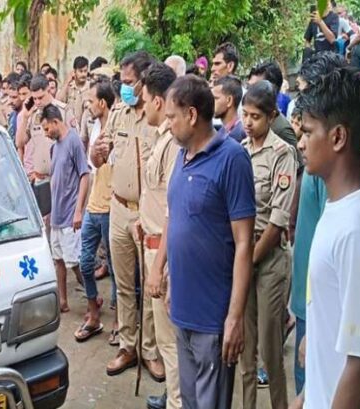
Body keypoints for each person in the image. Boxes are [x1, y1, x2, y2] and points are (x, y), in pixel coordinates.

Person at [292, 65, 360, 409]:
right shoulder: (337, 207)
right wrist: (305, 397)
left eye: (308, 132)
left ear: (338, 137)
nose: (301, 142)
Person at [163, 75, 255, 407]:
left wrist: (235, 317)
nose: (167, 124)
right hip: (183, 310)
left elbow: (244, 243)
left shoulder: (232, 159)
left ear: (191, 115)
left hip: (213, 318)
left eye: (172, 116)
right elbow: (178, 222)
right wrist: (171, 281)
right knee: (189, 401)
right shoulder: (182, 156)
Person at [92, 51, 163, 379]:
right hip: (118, 208)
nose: (123, 87)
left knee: (150, 286)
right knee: (123, 284)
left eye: (129, 82)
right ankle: (127, 345)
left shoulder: (157, 116)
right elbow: (100, 160)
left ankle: (150, 350)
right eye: (121, 81)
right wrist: (97, 153)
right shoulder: (118, 114)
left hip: (147, 213)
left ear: (144, 81)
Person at [238, 81, 297, 409]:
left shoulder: (282, 154)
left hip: (270, 259)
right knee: (245, 351)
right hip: (244, 254)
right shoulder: (240, 150)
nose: (248, 122)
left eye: (255, 116)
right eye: (245, 114)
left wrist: (247, 262)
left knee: (270, 353)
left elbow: (277, 222)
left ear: (272, 116)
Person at [138, 62, 180, 409]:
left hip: (162, 253)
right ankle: (173, 397)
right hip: (153, 246)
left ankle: (177, 402)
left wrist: (158, 267)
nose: (141, 106)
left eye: (143, 99)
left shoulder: (173, 144)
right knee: (167, 340)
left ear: (156, 101)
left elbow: (172, 211)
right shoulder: (161, 137)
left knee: (170, 341)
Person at [75, 79, 116, 342]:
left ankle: (121, 322)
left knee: (116, 268)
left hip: (113, 207)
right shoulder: (95, 126)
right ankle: (94, 314)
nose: (87, 105)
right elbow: (94, 165)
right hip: (94, 204)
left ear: (102, 102)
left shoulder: (118, 127)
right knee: (86, 262)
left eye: (90, 100)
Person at [41, 104, 90, 313]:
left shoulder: (73, 141)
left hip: (70, 213)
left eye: (46, 128)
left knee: (75, 262)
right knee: (58, 259)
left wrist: (78, 211)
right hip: (57, 214)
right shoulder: (55, 147)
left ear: (55, 122)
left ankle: (92, 295)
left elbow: (84, 175)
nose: (45, 133)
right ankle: (62, 300)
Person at [16, 74, 76, 186]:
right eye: (34, 99)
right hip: (40, 179)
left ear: (48, 90)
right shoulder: (33, 114)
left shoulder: (64, 111)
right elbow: (19, 143)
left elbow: (75, 144)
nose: (37, 102)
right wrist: (25, 118)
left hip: (62, 179)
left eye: (40, 97)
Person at [57, 56, 91, 125]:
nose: (83, 74)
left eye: (85, 71)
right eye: (80, 71)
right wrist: (67, 82)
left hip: (85, 128)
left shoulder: (91, 87)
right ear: (74, 71)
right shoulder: (69, 86)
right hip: (69, 127)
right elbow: (58, 101)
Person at [212, 75, 246, 142]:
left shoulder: (240, 135)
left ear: (229, 100)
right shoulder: (223, 131)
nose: (211, 102)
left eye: (215, 98)